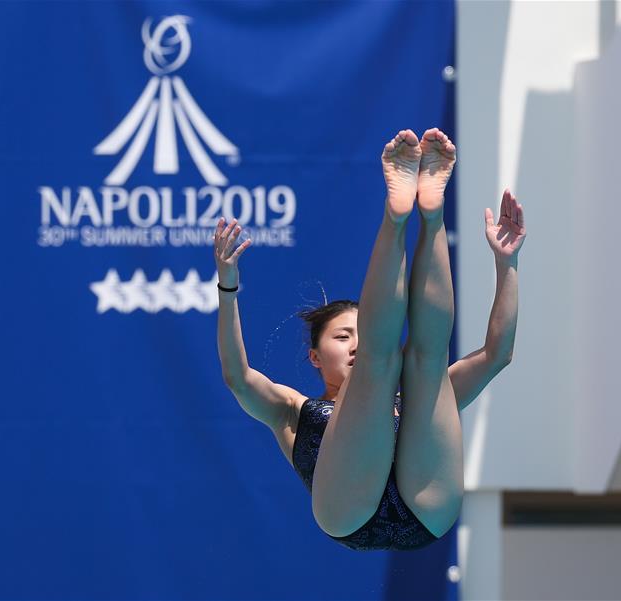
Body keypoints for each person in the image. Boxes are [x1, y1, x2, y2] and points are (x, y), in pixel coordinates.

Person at [215, 128, 525, 551]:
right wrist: (227, 288)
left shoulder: (410, 394)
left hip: (426, 505)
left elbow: (497, 354)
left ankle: (430, 213)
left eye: (361, 332)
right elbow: (237, 376)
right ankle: (395, 215)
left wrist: (507, 264)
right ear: (314, 357)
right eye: (343, 336)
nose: (354, 344)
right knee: (381, 364)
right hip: (349, 515)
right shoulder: (289, 411)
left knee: (426, 364)